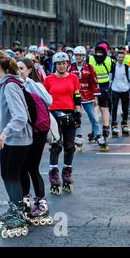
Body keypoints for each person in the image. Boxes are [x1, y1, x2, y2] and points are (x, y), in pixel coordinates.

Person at [0, 50, 32, 239]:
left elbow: (21, 116)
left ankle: (18, 214)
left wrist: (5, 133)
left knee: (12, 175)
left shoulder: (9, 86)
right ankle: (13, 208)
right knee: (5, 173)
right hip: (9, 138)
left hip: (18, 138)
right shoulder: (2, 83)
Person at [17, 58, 53, 225]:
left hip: (38, 131)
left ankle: (41, 202)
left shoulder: (34, 85)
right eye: (17, 69)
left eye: (22, 68)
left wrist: (31, 87)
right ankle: (26, 201)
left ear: (30, 69)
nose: (19, 71)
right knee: (23, 167)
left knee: (32, 167)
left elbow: (49, 101)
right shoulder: (15, 84)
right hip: (24, 131)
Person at [44, 52, 81, 195]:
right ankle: (53, 173)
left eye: (64, 63)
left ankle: (67, 171)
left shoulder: (73, 77)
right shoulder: (49, 79)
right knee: (55, 145)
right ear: (55, 65)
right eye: (59, 64)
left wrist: (77, 113)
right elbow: (44, 98)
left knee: (70, 146)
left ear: (68, 64)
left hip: (70, 114)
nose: (61, 66)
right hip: (53, 114)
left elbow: (77, 96)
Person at [69, 46, 101, 149]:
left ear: (84, 56)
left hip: (88, 97)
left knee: (93, 117)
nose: (78, 57)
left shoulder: (90, 67)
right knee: (77, 117)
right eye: (76, 55)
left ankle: (98, 135)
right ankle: (78, 136)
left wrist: (96, 97)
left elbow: (94, 83)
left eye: (80, 55)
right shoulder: (70, 67)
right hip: (75, 97)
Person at [88, 42, 113, 152]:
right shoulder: (109, 60)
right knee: (104, 108)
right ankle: (106, 128)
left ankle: (95, 131)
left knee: (95, 108)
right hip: (104, 87)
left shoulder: (90, 59)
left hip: (93, 86)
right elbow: (112, 74)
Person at [110, 50, 130, 137]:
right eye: (119, 57)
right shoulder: (113, 67)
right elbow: (110, 78)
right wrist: (109, 89)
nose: (121, 59)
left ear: (124, 58)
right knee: (115, 108)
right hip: (115, 90)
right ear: (117, 58)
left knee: (125, 109)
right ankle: (114, 125)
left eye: (122, 57)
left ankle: (124, 124)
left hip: (125, 90)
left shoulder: (127, 67)